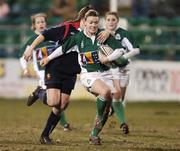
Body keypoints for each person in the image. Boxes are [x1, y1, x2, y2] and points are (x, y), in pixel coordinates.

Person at [40, 10, 128, 145]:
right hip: (89, 75)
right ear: (85, 23)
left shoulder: (103, 35)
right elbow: (63, 49)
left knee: (108, 105)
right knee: (105, 92)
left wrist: (107, 58)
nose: (93, 25)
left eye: (96, 23)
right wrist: (48, 58)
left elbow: (121, 50)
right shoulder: (78, 37)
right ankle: (99, 115)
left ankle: (94, 135)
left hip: (106, 74)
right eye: (90, 22)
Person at [23, 6, 95, 144]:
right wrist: (31, 48)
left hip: (71, 72)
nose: (92, 23)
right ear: (83, 19)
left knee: (62, 104)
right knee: (53, 102)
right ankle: (39, 92)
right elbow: (44, 35)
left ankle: (45, 136)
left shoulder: (92, 34)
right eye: (89, 20)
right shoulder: (67, 28)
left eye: (94, 21)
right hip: (55, 68)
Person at [19, 13, 71, 132]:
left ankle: (62, 122)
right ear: (34, 25)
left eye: (43, 21)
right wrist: (25, 69)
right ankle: (39, 93)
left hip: (55, 70)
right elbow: (23, 57)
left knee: (58, 99)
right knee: (54, 99)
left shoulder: (51, 36)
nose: (41, 24)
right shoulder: (32, 41)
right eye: (38, 22)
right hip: (42, 72)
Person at [99, 11, 140, 133]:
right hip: (109, 69)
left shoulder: (124, 34)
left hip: (123, 68)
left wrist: (124, 57)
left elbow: (136, 50)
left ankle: (112, 110)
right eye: (108, 19)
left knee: (119, 97)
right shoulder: (100, 34)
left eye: (113, 20)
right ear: (104, 21)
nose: (111, 22)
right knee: (113, 95)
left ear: (117, 21)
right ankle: (123, 123)